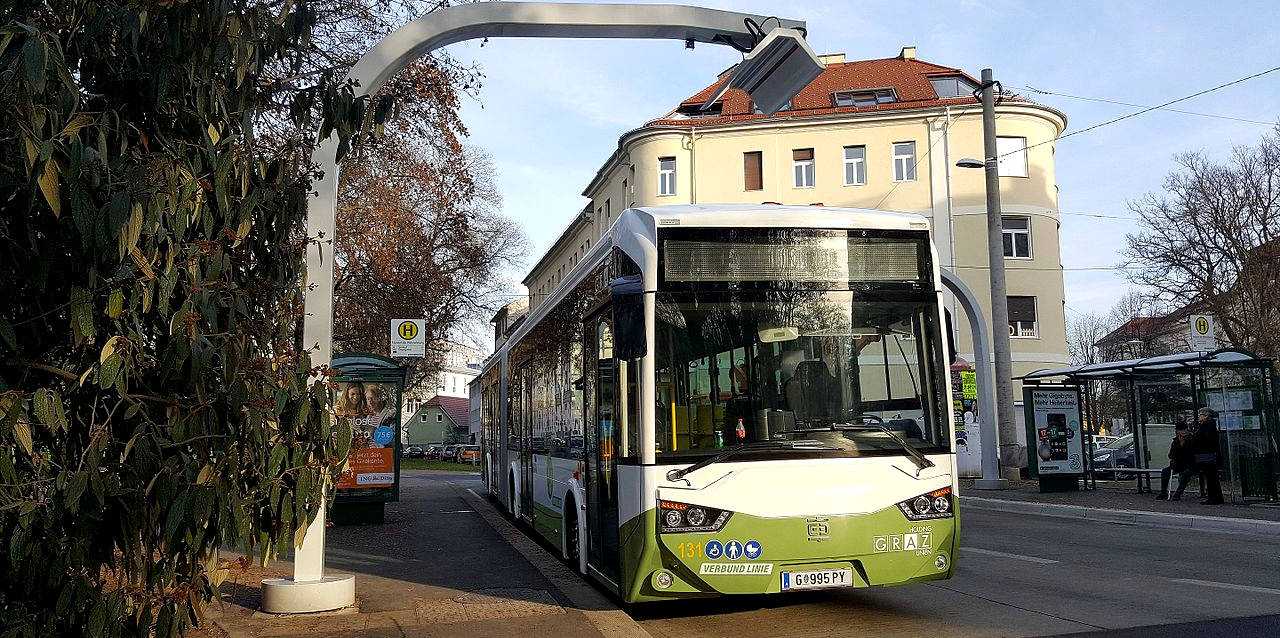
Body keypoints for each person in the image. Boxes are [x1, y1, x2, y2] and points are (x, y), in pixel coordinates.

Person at [1190, 407, 1225, 504]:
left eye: (1201, 415)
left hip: (1208, 454)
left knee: (1211, 477)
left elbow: (1203, 439)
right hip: (1207, 454)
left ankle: (1213, 497)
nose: (1199, 417)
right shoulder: (1208, 425)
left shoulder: (1207, 426)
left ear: (1206, 416)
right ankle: (1216, 497)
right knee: (1211, 477)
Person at [1158, 420, 1196, 500]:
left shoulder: (1192, 439)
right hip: (1179, 464)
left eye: (1183, 431)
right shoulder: (1175, 441)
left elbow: (1192, 454)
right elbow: (1171, 454)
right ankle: (1163, 492)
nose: (1181, 433)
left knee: (1185, 474)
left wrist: (1183, 444)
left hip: (1191, 464)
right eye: (1179, 431)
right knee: (1165, 472)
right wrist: (1173, 458)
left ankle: (1178, 493)